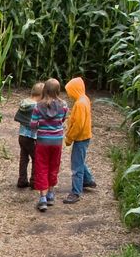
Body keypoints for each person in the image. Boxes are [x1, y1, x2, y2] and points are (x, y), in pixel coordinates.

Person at [29, 79, 68, 212]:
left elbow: (33, 125)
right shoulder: (64, 105)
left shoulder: (37, 106)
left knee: (42, 167)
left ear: (45, 90)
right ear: (58, 90)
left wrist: (39, 127)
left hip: (42, 141)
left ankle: (43, 198)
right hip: (57, 141)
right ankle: (51, 193)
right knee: (54, 165)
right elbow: (62, 119)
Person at [62, 77, 95, 203]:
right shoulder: (84, 99)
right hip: (84, 136)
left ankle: (75, 192)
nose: (68, 94)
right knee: (79, 159)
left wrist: (69, 138)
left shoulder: (80, 104)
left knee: (76, 165)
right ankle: (88, 180)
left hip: (80, 137)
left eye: (69, 91)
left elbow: (78, 125)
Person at [14, 81, 44, 188]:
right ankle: (34, 181)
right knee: (36, 158)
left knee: (24, 158)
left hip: (21, 136)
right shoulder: (36, 106)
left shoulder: (24, 102)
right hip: (31, 137)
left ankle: (22, 180)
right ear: (41, 95)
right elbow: (37, 123)